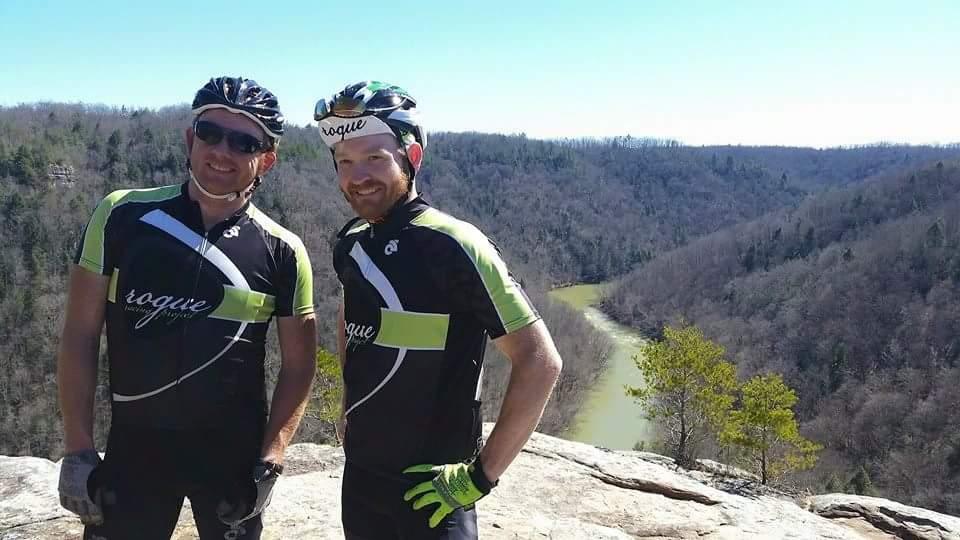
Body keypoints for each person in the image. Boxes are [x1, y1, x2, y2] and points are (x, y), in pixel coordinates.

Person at [56, 76, 317, 540]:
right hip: (135, 451)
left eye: (243, 141)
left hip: (232, 464)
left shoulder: (283, 250)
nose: (222, 151)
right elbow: (79, 333)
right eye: (210, 133)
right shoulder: (122, 216)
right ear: (189, 138)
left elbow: (299, 366)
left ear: (267, 161)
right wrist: (78, 450)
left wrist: (272, 459)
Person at [316, 81, 563, 539]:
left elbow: (540, 360)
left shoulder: (453, 243)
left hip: (434, 490)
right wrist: (349, 411)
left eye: (375, 157)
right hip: (363, 481)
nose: (358, 175)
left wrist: (482, 476)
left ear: (412, 157)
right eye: (345, 162)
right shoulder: (350, 243)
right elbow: (351, 320)